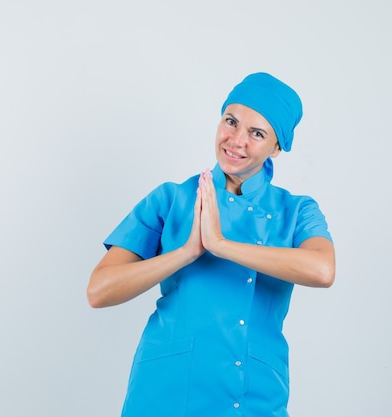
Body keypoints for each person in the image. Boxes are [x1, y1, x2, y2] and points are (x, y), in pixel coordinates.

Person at [87, 72, 335, 417]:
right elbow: (99, 290)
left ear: (277, 148)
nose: (236, 140)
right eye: (230, 122)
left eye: (257, 133)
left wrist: (219, 244)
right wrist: (186, 252)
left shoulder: (295, 211)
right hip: (164, 391)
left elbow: (322, 270)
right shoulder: (171, 198)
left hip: (254, 392)